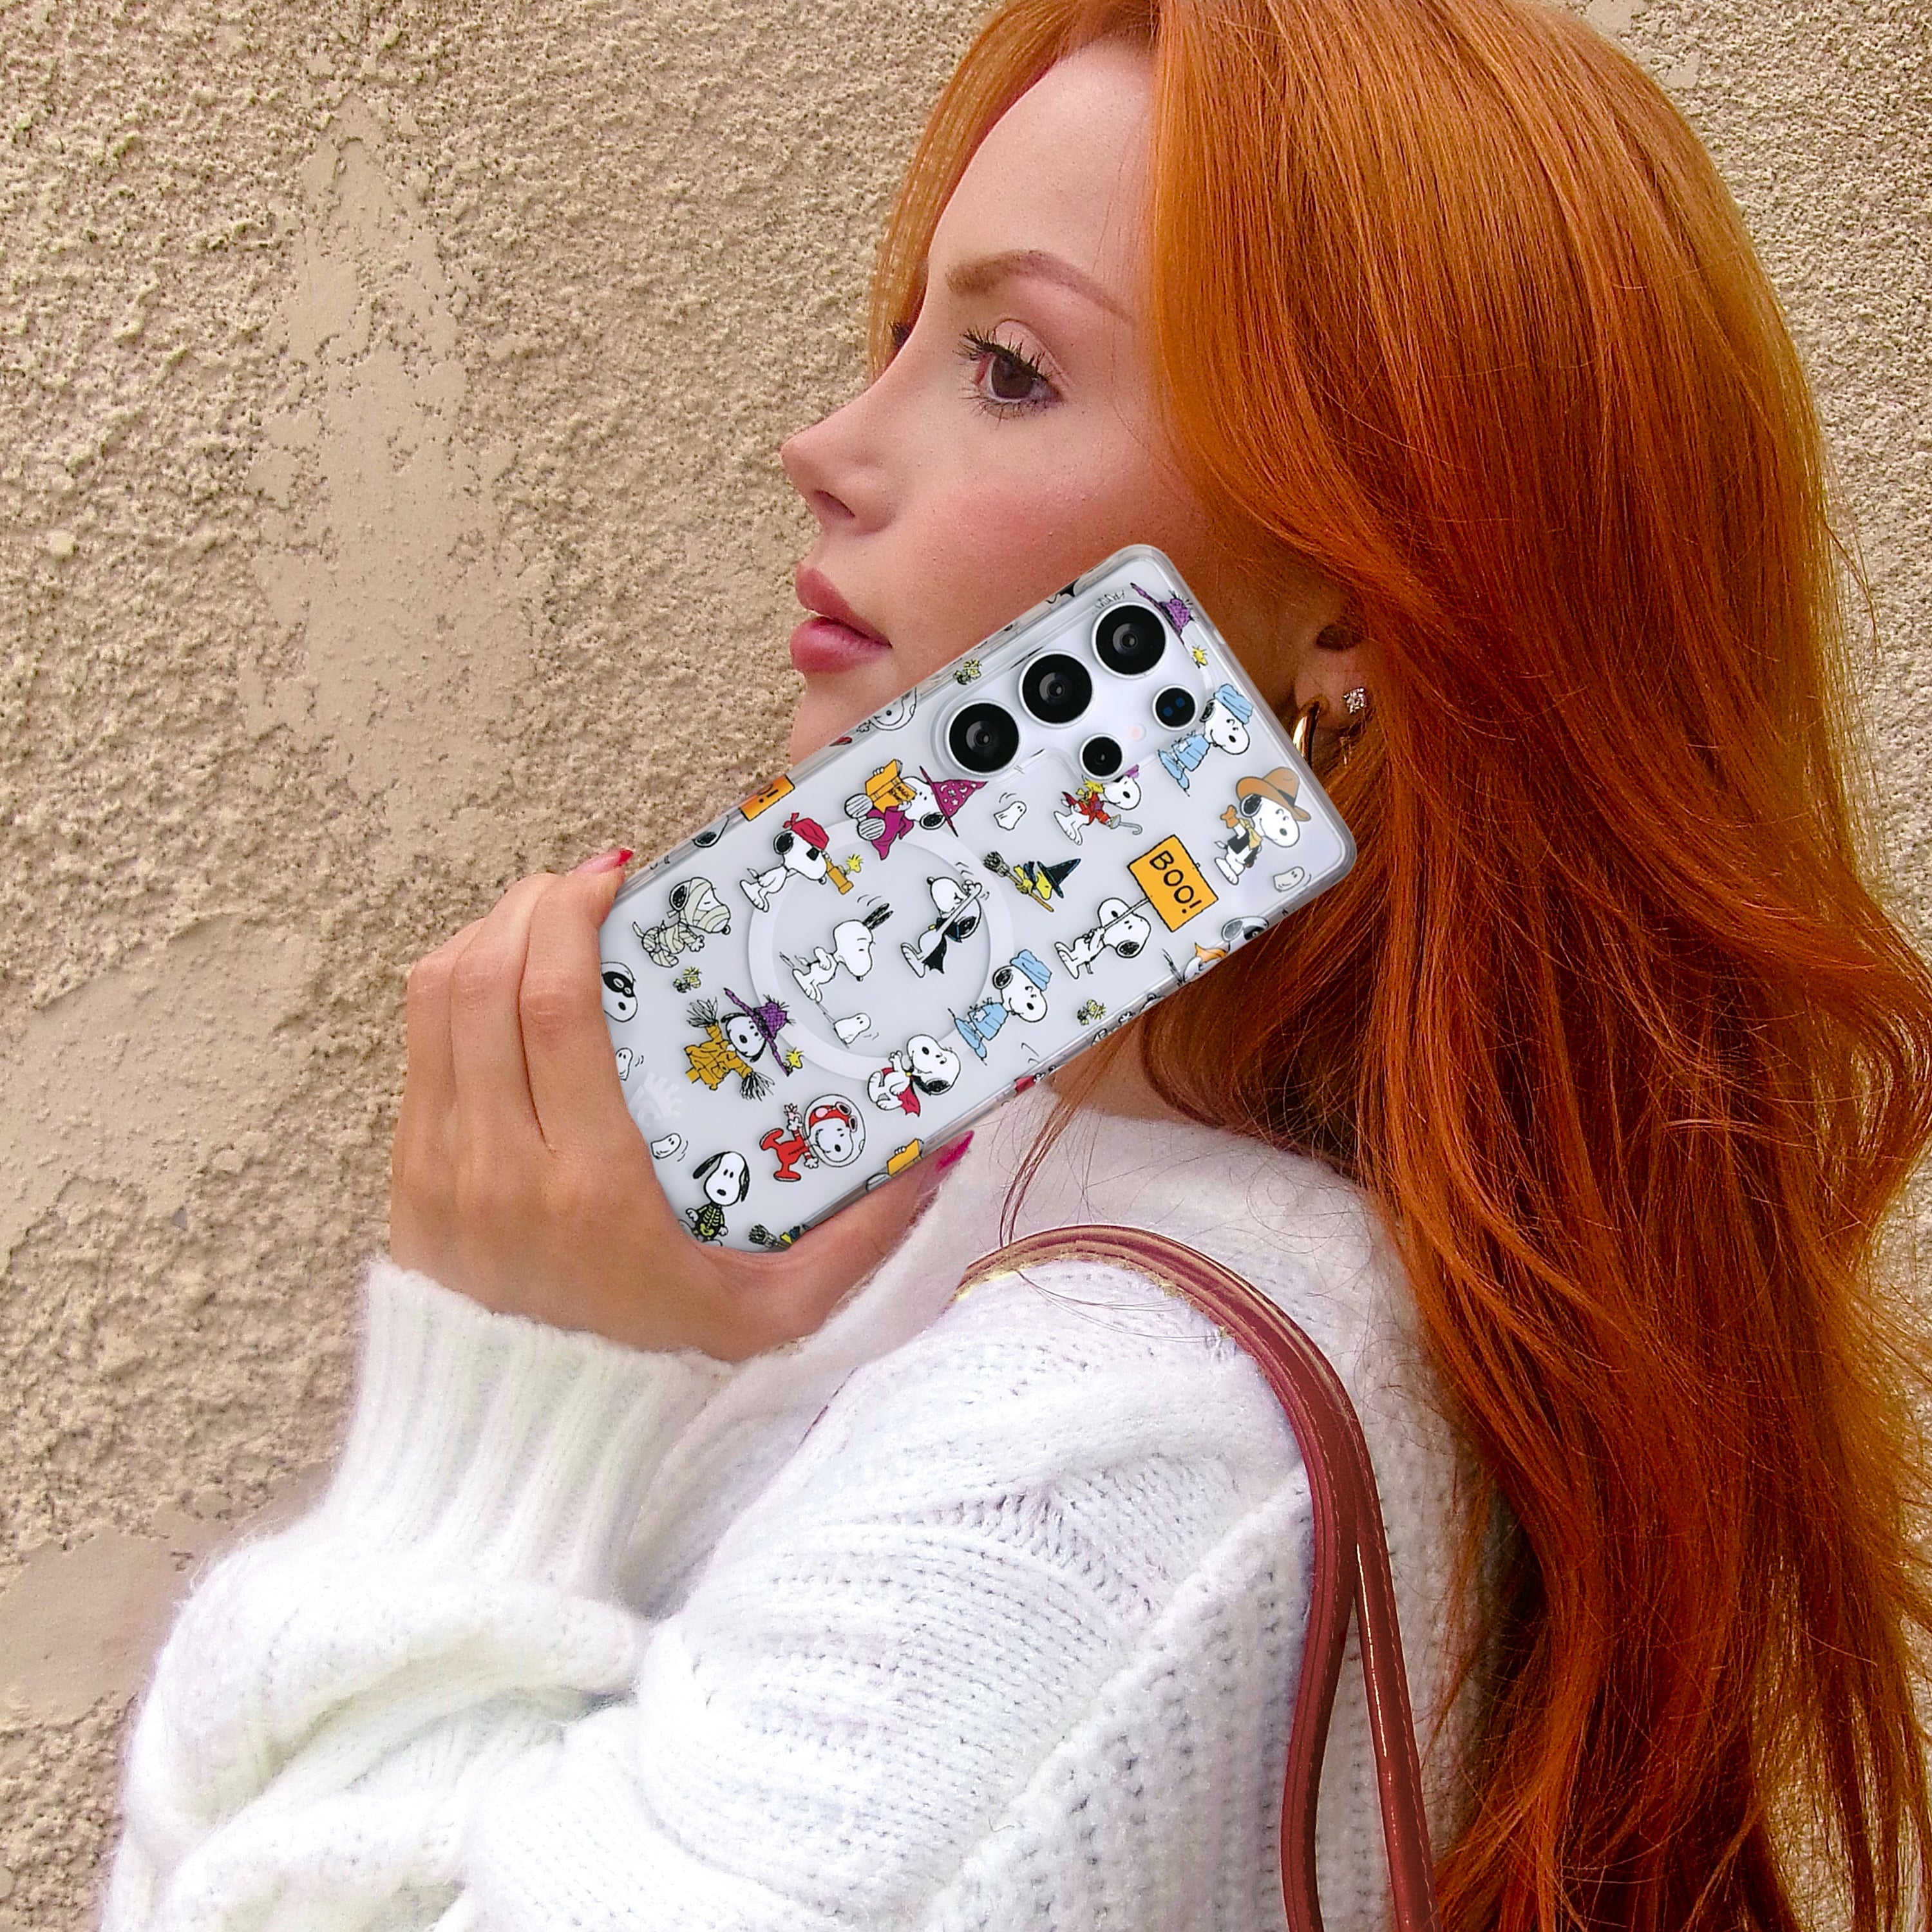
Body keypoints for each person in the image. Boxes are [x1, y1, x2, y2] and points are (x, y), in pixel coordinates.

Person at [104, 2, 1932, 1928]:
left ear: (1357, 604)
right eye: (904, 337)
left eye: (1007, 367)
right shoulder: (1020, 1184)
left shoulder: (1097, 1468)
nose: (824, 448)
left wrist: (499, 1406)